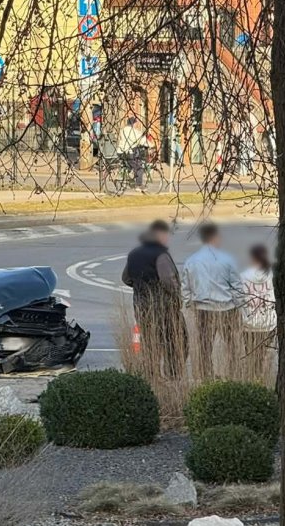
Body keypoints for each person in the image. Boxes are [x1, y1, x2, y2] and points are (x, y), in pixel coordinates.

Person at [121, 220, 187, 380]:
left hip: (142, 308)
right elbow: (169, 280)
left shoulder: (134, 254)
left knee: (150, 342)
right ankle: (173, 374)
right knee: (176, 341)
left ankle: (151, 374)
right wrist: (177, 298)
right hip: (164, 308)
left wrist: (140, 287)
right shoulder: (160, 255)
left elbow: (126, 278)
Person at [181, 222, 244, 380]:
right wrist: (239, 305)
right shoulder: (227, 259)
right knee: (232, 347)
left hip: (203, 310)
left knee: (204, 348)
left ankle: (206, 379)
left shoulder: (192, 260)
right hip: (227, 308)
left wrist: (190, 304)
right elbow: (236, 286)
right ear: (215, 238)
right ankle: (233, 377)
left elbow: (185, 287)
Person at [240, 244, 277, 380]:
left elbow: (237, 299)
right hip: (268, 323)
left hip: (249, 325)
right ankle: (262, 379)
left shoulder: (243, 277)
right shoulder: (273, 276)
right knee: (265, 356)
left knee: (252, 357)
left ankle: (253, 380)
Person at [117, 117, 148, 190]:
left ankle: (129, 179)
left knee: (130, 165)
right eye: (135, 124)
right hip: (129, 153)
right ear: (133, 124)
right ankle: (139, 185)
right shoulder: (133, 132)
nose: (136, 125)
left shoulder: (122, 130)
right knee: (139, 167)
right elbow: (142, 140)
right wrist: (150, 145)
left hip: (121, 152)